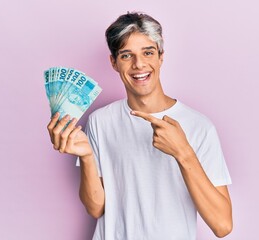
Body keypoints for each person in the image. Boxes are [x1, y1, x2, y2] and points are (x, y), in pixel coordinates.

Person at [47, 12, 233, 240]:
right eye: (126, 55)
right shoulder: (100, 121)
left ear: (160, 57)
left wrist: (183, 152)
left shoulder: (199, 127)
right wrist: (87, 157)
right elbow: (96, 208)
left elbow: (222, 225)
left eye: (148, 52)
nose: (139, 64)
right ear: (113, 62)